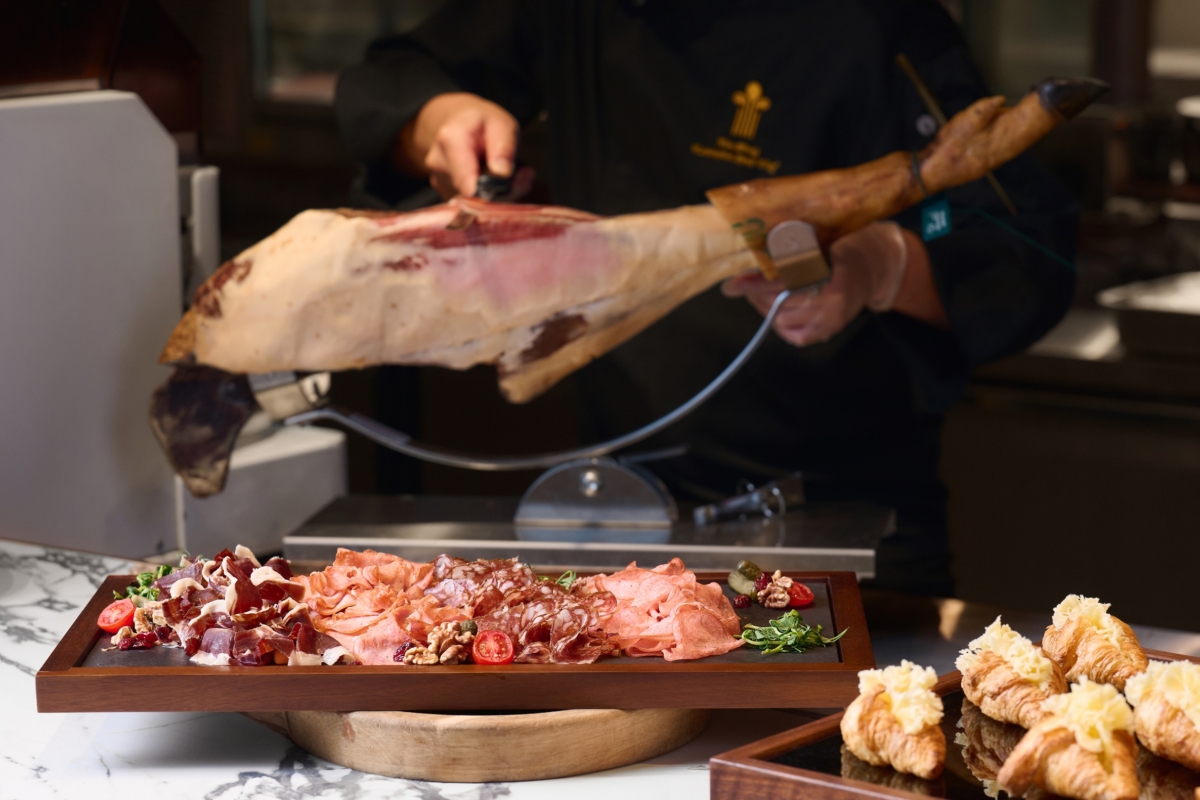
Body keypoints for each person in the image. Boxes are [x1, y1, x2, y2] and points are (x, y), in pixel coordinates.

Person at [335, 0, 1078, 597]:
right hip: (614, 523)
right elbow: (399, 77)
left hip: (837, 541)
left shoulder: (880, 23)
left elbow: (1024, 245)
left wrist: (881, 263)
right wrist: (438, 121)